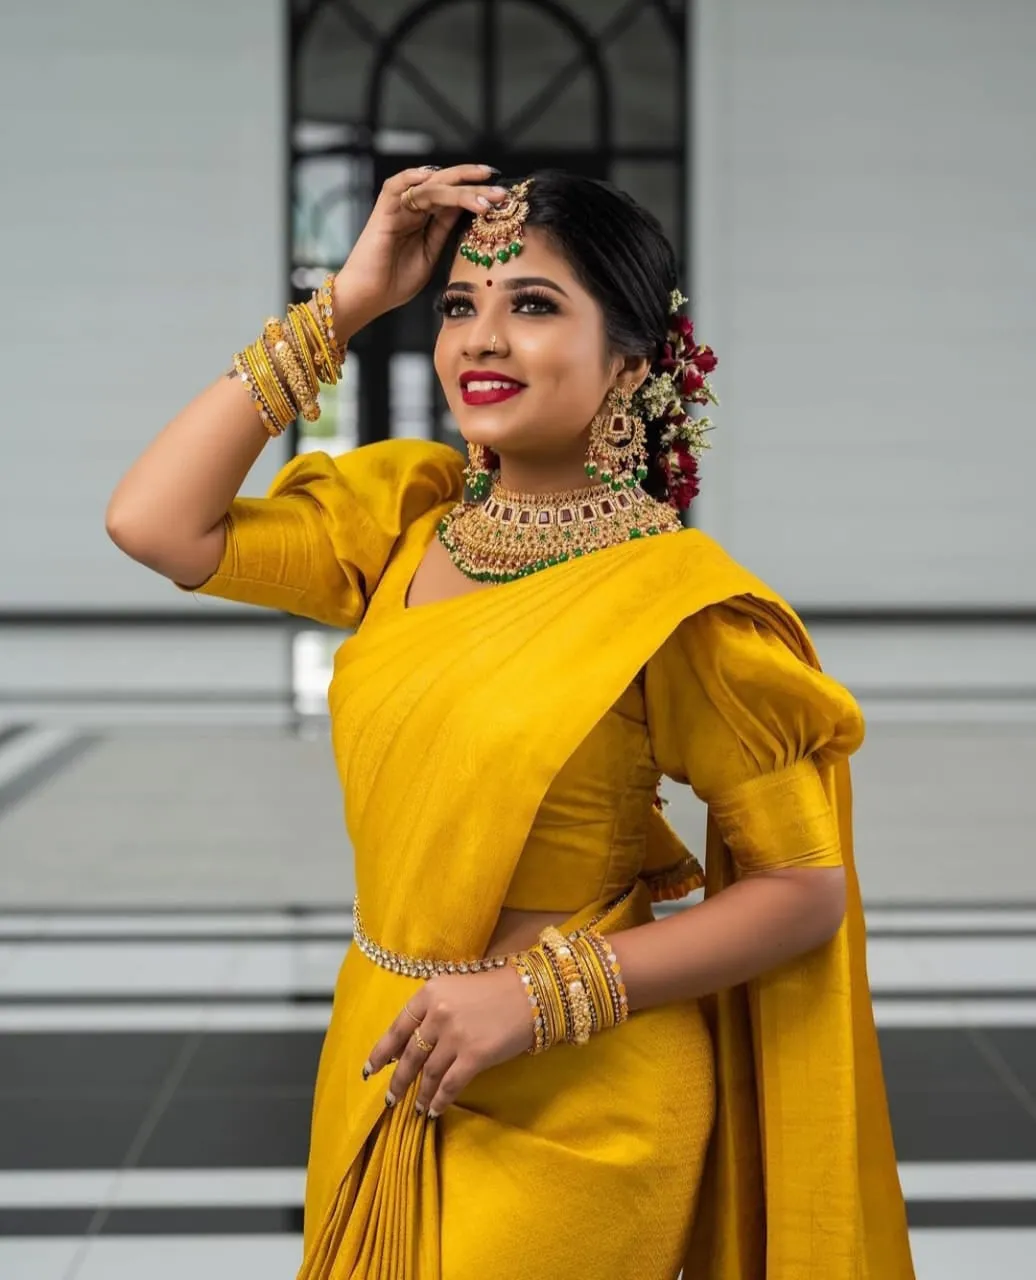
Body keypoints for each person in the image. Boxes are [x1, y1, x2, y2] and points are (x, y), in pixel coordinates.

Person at [106, 165, 915, 1279]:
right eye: (457, 306)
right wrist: (345, 301)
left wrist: (541, 999)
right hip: (388, 1049)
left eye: (533, 304)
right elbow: (155, 523)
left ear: (630, 361)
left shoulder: (672, 605)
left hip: (583, 1086)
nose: (479, 339)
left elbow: (801, 890)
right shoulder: (401, 525)